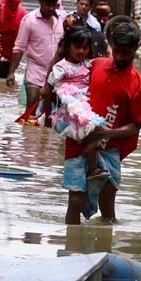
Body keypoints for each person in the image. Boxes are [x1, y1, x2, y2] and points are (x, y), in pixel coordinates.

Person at [62, 19, 141, 225]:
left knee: (107, 204)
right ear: (111, 45)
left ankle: (104, 248)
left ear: (135, 49)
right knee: (75, 200)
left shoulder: (140, 84)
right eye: (117, 50)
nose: (120, 56)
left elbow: (136, 126)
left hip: (110, 149)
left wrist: (105, 134)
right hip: (79, 143)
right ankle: (70, 249)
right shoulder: (95, 65)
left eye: (126, 52)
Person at [41, 26, 109, 181]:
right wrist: (46, 116)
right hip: (69, 106)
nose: (80, 51)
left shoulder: (88, 64)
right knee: (91, 129)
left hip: (85, 102)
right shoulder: (61, 67)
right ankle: (92, 168)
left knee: (93, 132)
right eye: (77, 47)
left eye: (84, 48)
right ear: (68, 46)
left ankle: (90, 163)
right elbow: (47, 90)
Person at [7, 0, 65, 109]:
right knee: (32, 106)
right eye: (47, 5)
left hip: (58, 73)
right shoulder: (29, 21)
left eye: (53, 5)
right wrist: (11, 72)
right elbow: (19, 48)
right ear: (40, 2)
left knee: (51, 112)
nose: (50, 8)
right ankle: (27, 129)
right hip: (36, 71)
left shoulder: (63, 18)